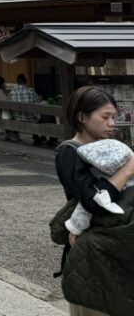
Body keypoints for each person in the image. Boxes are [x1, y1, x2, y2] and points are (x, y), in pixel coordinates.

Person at [52, 86, 134, 316]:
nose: (112, 123)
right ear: (82, 117)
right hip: (90, 251)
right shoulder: (69, 152)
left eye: (114, 117)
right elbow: (92, 201)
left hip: (117, 246)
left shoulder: (112, 151)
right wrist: (127, 170)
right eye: (105, 117)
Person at [9, 73, 42, 144]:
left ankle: (15, 134)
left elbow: (9, 105)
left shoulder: (12, 92)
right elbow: (38, 105)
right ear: (25, 82)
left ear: (17, 82)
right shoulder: (31, 92)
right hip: (31, 118)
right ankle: (38, 137)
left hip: (17, 118)